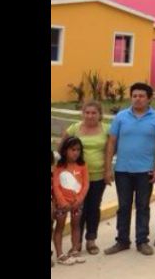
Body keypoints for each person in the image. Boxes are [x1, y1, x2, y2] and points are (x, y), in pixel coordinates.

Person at [104, 83, 155, 256]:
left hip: (145, 172)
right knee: (124, 207)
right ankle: (122, 241)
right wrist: (108, 168)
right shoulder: (121, 117)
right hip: (122, 170)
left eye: (141, 96)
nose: (137, 99)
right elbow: (111, 142)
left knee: (143, 207)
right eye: (134, 96)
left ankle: (142, 241)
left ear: (149, 98)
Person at [61, 100, 109, 255]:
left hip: (97, 175)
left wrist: (108, 170)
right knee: (78, 208)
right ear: (83, 114)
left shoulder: (106, 129)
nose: (90, 116)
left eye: (94, 113)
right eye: (87, 112)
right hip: (76, 178)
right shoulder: (75, 128)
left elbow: (111, 151)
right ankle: (77, 242)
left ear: (99, 114)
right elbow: (62, 147)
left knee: (93, 208)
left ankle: (91, 240)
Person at [52, 136, 89, 265]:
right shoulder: (59, 166)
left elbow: (85, 184)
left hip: (77, 204)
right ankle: (60, 254)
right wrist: (62, 202)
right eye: (72, 149)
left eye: (78, 150)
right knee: (60, 227)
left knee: (76, 225)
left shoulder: (82, 166)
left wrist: (79, 199)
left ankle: (74, 250)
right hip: (62, 205)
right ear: (65, 151)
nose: (76, 152)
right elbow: (56, 186)